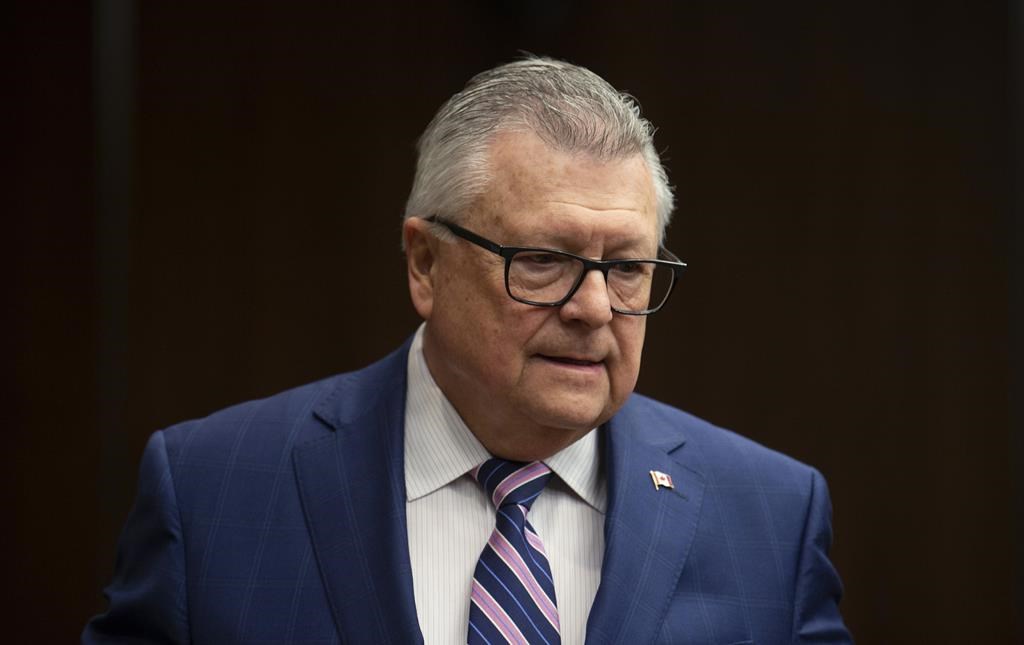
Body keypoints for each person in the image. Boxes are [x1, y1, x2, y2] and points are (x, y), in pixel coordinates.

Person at [84, 57, 851, 644]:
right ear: (425, 264)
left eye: (626, 268)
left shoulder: (770, 519)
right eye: (544, 259)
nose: (593, 308)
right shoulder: (213, 493)